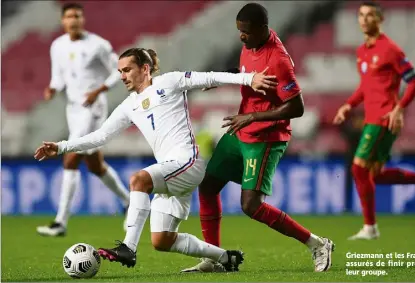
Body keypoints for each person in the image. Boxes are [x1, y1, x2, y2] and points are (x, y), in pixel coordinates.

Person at [34, 47, 278, 270]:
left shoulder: (169, 82)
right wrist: (62, 146)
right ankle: (226, 258)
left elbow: (211, 77)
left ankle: (128, 248)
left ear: (145, 68)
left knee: (139, 180)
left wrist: (249, 78)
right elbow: (100, 136)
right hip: (170, 169)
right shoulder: (129, 105)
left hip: (188, 162)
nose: (122, 76)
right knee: (162, 240)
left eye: (127, 69)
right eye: (120, 71)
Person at [182, 3, 334, 273]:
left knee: (251, 206)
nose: (241, 36)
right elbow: (245, 76)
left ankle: (317, 244)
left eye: (246, 32)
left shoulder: (278, 59)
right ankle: (216, 258)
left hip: (266, 137)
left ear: (262, 28)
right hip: (241, 130)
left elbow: (297, 107)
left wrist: (252, 117)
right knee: (207, 186)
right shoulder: (250, 44)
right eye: (239, 31)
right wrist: (219, 80)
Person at [333, 1, 415, 240]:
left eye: (370, 15)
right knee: (374, 175)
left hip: (383, 119)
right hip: (372, 119)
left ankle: (370, 228)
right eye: (361, 15)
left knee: (357, 168)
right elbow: (366, 87)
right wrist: (348, 105)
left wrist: (399, 108)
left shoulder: (390, 50)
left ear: (380, 19)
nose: (364, 19)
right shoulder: (362, 51)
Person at [37, 3, 130, 237]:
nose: (73, 20)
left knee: (70, 158)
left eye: (77, 16)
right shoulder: (57, 46)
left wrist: (99, 90)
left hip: (93, 108)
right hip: (73, 109)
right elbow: (58, 77)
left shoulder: (98, 45)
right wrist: (52, 88)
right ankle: (130, 201)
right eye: (69, 16)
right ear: (63, 21)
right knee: (95, 165)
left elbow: (117, 71)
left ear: (83, 19)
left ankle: (60, 222)